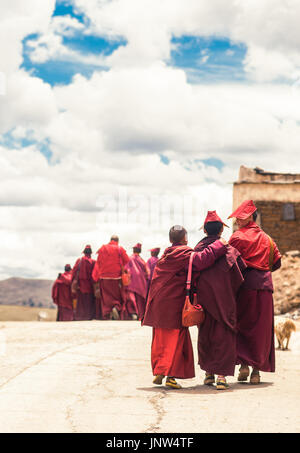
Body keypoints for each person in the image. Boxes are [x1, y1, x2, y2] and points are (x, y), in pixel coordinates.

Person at [142, 225, 228, 389]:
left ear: (170, 240)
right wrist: (220, 244)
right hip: (173, 304)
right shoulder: (184, 254)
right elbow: (203, 259)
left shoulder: (165, 256)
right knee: (176, 339)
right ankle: (170, 376)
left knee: (161, 338)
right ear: (185, 239)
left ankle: (160, 370)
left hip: (158, 304)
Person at [228, 200, 281, 384]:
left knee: (243, 325)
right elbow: (277, 263)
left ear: (250, 216)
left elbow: (230, 263)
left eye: (239, 218)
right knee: (261, 329)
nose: (237, 221)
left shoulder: (237, 237)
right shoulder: (268, 239)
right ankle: (256, 371)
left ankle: (243, 365)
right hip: (265, 287)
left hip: (244, 286)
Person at [193, 211, 246, 390]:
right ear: (221, 231)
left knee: (206, 334)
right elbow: (240, 276)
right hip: (225, 300)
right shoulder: (229, 249)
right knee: (223, 336)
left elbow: (192, 273)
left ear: (205, 231)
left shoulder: (198, 249)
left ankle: (208, 374)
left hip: (204, 300)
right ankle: (221, 377)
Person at [92, 235, 130, 320]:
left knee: (106, 297)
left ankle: (107, 313)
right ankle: (116, 307)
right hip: (116, 277)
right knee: (116, 295)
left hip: (103, 277)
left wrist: (95, 277)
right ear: (117, 241)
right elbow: (127, 260)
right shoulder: (119, 249)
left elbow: (98, 262)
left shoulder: (102, 248)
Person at [122, 243, 149, 320]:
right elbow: (147, 272)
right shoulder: (142, 260)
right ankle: (141, 315)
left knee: (131, 298)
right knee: (140, 300)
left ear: (133, 250)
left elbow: (125, 269)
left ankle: (133, 313)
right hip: (141, 283)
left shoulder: (129, 258)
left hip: (131, 282)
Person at [72, 245, 96, 321]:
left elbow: (74, 272)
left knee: (81, 302)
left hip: (80, 286)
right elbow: (95, 275)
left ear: (84, 252)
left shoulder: (79, 261)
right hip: (90, 286)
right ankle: (89, 317)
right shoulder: (93, 262)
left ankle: (80, 317)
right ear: (91, 253)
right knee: (89, 301)